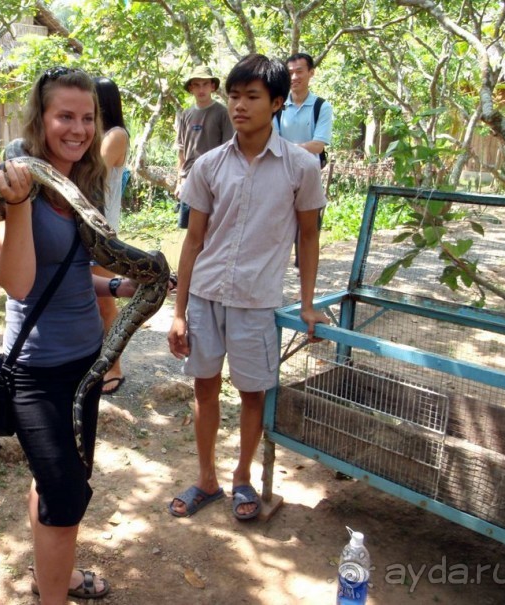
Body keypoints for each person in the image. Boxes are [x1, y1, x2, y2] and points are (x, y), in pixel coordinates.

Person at [0, 66, 139, 604]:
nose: (77, 129)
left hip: (85, 363)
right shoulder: (3, 184)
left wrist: (118, 283)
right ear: (41, 118)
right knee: (68, 495)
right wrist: (20, 204)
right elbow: (21, 282)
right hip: (35, 369)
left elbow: (71, 270)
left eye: (87, 117)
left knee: (57, 482)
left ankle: (58, 575)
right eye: (64, 116)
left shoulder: (82, 180)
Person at [167, 53, 327, 521]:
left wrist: (309, 303)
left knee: (253, 392)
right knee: (204, 389)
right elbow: (193, 241)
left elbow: (309, 236)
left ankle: (242, 479)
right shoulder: (210, 165)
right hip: (206, 296)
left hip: (257, 301)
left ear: (277, 102)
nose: (239, 105)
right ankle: (206, 480)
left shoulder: (301, 167)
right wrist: (178, 312)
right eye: (234, 96)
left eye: (251, 97)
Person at [93, 76, 130, 394]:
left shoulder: (115, 135)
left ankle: (114, 367)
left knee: (105, 301)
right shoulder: (93, 133)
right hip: (84, 227)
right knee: (88, 299)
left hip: (101, 231)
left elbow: (92, 170)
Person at [174, 64, 233, 229]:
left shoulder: (222, 113)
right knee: (191, 230)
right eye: (197, 84)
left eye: (205, 84)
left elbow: (229, 149)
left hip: (214, 179)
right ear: (191, 88)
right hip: (190, 178)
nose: (201, 89)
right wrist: (180, 181)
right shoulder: (186, 115)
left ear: (213, 86)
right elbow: (181, 151)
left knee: (213, 229)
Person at [273, 52, 333, 167]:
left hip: (310, 172)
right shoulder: (277, 105)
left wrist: (288, 149)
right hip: (282, 170)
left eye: (299, 71)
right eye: (290, 73)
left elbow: (318, 146)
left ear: (311, 72)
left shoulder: (321, 107)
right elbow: (274, 141)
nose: (294, 77)